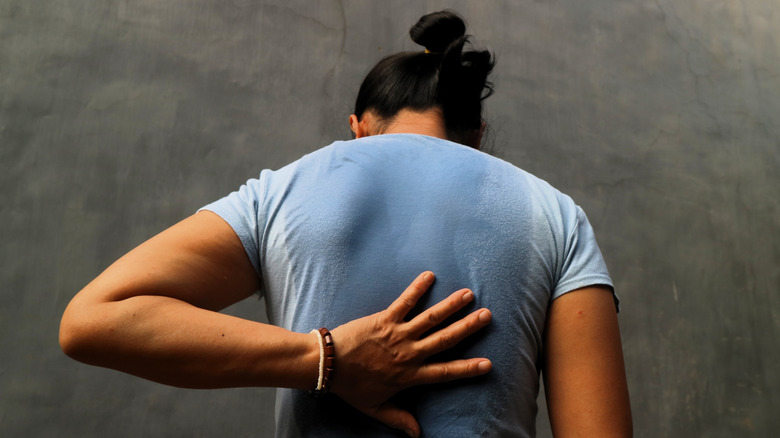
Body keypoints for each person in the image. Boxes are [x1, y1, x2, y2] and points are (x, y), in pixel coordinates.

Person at [60, 10, 632, 438]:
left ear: (358, 126)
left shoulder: (282, 192)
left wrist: (322, 358)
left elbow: (93, 320)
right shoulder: (554, 214)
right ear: (475, 133)